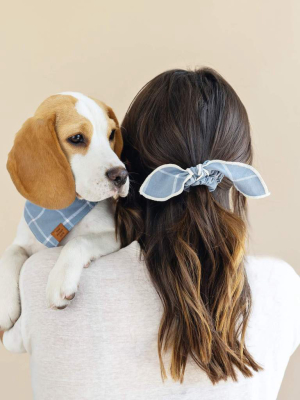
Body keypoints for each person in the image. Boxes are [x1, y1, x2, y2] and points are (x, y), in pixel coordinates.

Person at [1, 68, 300, 400]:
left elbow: (10, 338)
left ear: (129, 159)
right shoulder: (285, 287)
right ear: (240, 167)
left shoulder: (43, 277)